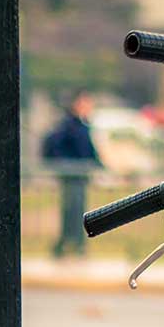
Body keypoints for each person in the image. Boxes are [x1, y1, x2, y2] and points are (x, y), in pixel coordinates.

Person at [41, 92, 101, 258]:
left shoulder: (82, 125)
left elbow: (89, 151)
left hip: (80, 176)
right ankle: (68, 245)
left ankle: (75, 245)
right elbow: (55, 145)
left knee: (77, 211)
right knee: (72, 211)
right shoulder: (68, 125)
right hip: (72, 176)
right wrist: (65, 164)